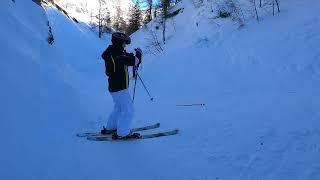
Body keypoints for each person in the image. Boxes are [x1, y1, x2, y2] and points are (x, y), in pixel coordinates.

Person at [100, 32, 142, 139]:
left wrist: (134, 54)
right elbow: (134, 61)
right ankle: (123, 133)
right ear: (119, 43)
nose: (125, 45)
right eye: (124, 43)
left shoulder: (113, 52)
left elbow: (126, 56)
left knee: (119, 108)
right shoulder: (117, 54)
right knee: (129, 110)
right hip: (119, 88)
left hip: (115, 87)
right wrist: (138, 55)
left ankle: (111, 127)